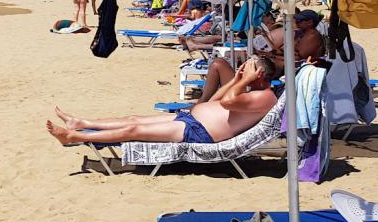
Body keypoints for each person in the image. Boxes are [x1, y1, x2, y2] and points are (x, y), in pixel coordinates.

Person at [47, 56, 279, 146]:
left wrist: (243, 80)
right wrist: (238, 78)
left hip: (199, 132)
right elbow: (218, 100)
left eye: (249, 67)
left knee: (133, 129)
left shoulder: (263, 97)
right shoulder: (249, 92)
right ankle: (80, 122)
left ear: (258, 75)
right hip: (192, 118)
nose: (242, 68)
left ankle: (73, 137)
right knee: (133, 119)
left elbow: (228, 103)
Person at [198, 10, 323, 102]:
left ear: (310, 22)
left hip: (281, 69)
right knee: (219, 63)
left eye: (299, 21)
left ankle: (206, 102)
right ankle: (204, 101)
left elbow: (296, 59)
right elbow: (285, 53)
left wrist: (272, 55)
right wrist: (269, 50)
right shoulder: (301, 34)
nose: (295, 22)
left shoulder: (312, 36)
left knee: (222, 64)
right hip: (274, 66)